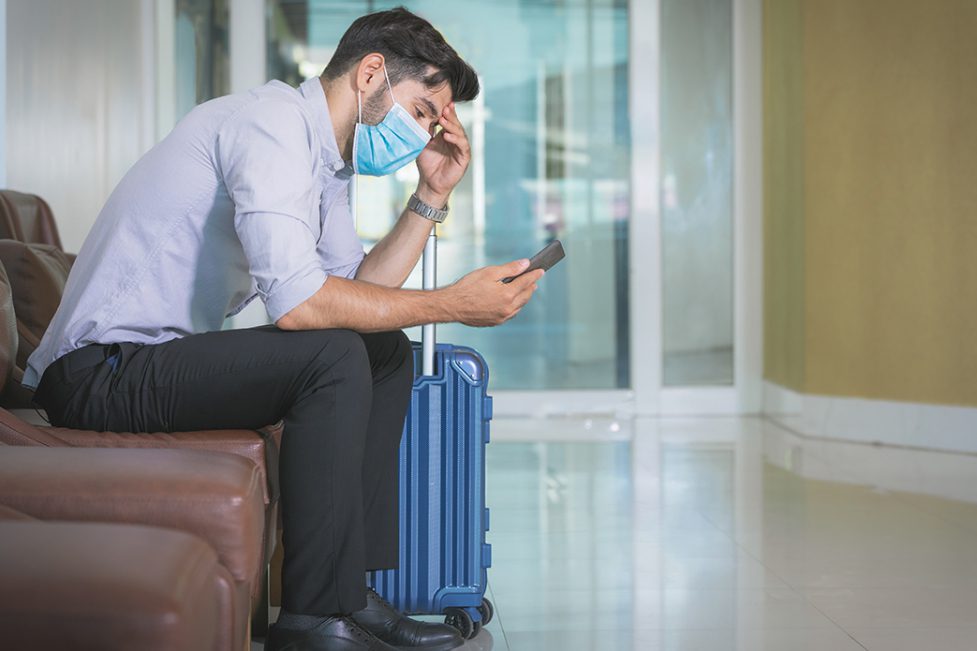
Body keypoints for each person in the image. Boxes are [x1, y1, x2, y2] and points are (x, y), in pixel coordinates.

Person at [24, 7, 542, 651]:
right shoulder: (268, 125)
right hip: (96, 371)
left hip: (152, 360)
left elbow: (362, 297)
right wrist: (450, 302)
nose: (421, 136)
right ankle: (313, 617)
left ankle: (350, 590)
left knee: (380, 352)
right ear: (371, 73)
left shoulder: (325, 163)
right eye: (420, 112)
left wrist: (430, 196)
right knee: (328, 353)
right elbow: (299, 306)